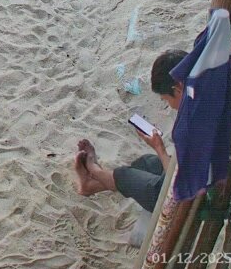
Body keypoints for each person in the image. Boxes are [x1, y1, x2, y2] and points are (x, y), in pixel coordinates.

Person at [72, 50, 188, 212]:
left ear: (178, 89)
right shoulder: (199, 103)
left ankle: (93, 170)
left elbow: (176, 183)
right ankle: (89, 186)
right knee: (146, 163)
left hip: (178, 199)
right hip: (189, 178)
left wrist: (159, 148)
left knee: (124, 175)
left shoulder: (189, 127)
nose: (169, 105)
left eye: (166, 99)